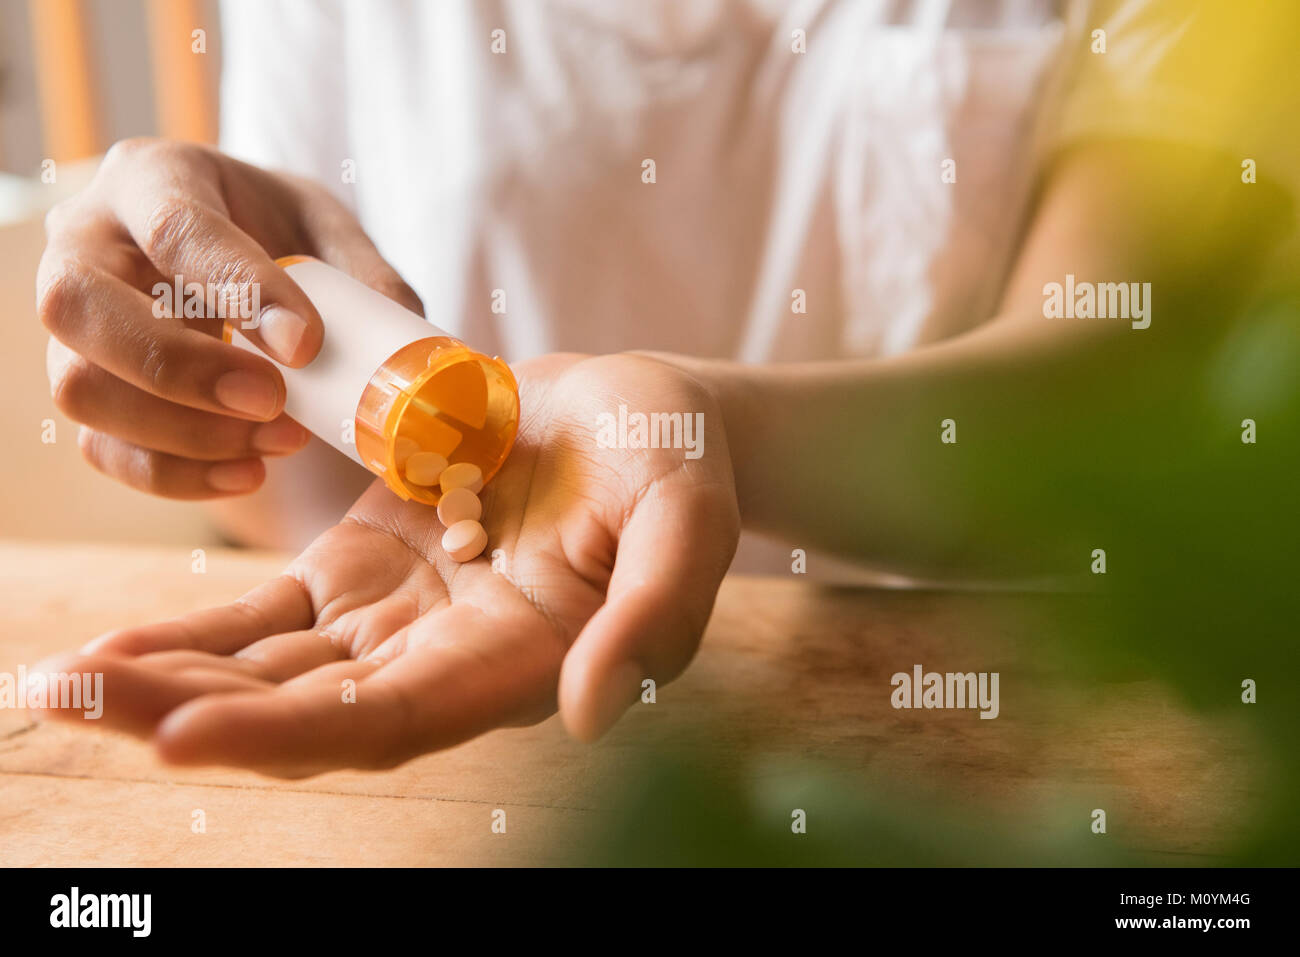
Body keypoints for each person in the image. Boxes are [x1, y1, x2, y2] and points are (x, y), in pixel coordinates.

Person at [33, 0, 1295, 776]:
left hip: (995, 730)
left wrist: (705, 433)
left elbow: (1125, 378)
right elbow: (311, 497)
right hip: (522, 786)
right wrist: (223, 348)